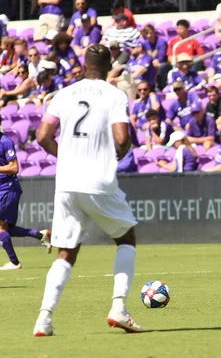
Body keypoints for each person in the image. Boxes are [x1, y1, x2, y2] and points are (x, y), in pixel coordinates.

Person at [34, 44, 143, 336]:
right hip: (98, 180)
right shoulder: (114, 95)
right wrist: (118, 153)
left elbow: (42, 136)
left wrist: (68, 157)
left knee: (66, 252)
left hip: (67, 183)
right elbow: (122, 139)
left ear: (83, 65)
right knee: (126, 238)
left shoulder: (64, 94)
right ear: (108, 67)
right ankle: (119, 307)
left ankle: (44, 318)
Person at [0, 130, 51, 270]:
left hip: (7, 189)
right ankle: (40, 235)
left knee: (1, 228)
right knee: (7, 229)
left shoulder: (5, 141)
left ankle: (14, 262)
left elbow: (14, 167)